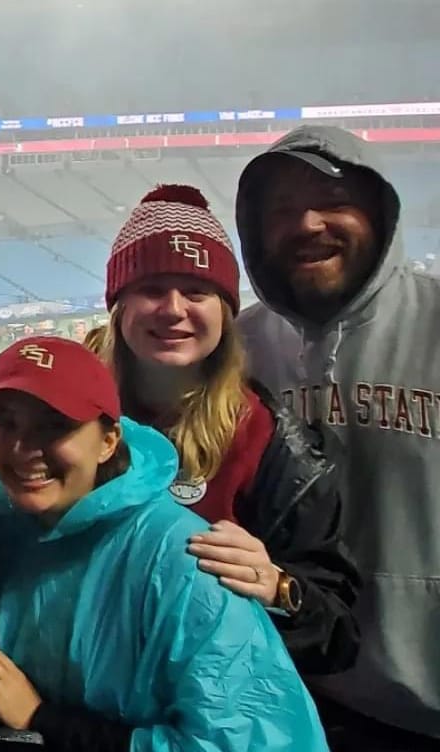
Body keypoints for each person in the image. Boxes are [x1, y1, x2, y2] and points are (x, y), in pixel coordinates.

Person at [0, 335, 328, 751]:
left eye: (53, 425)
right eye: (4, 421)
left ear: (108, 441)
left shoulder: (185, 560)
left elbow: (236, 742)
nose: (23, 448)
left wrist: (41, 719)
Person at [235, 124, 440, 748]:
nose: (308, 223)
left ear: (379, 212)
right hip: (292, 700)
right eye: (282, 210)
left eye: (333, 201)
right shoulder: (238, 350)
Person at [98, 183, 360, 673]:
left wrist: (279, 587)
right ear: (120, 306)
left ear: (225, 312)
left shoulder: (271, 442)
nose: (173, 309)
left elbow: (337, 631)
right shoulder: (65, 410)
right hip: (63, 705)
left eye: (196, 291)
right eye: (152, 289)